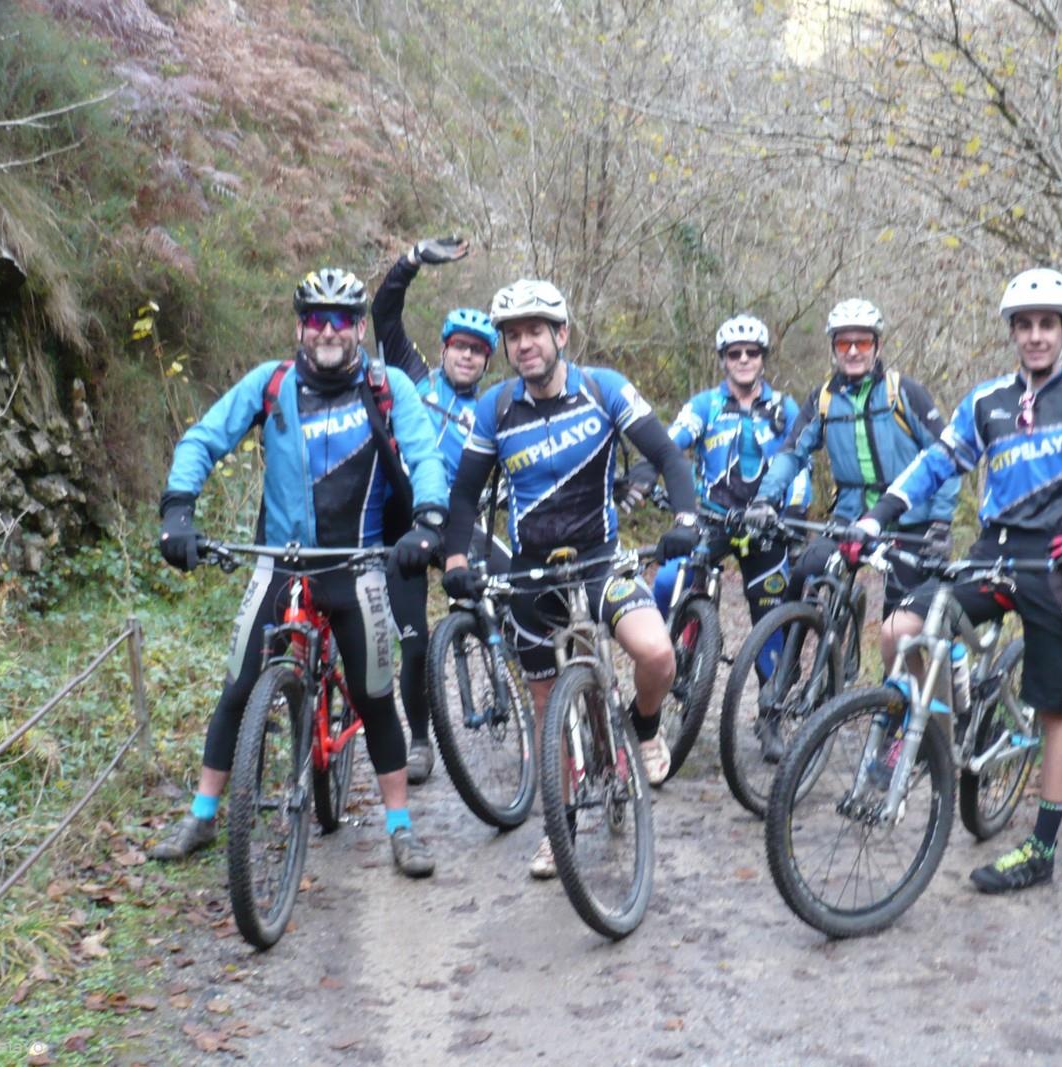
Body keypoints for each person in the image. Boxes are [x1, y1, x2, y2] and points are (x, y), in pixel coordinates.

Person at [854, 267, 1062, 893]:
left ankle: (1041, 850)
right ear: (1012, 332)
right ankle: (928, 736)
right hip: (991, 553)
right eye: (1024, 325)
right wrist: (876, 517)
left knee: (1056, 710)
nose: (1035, 336)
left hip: (1054, 565)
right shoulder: (986, 402)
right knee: (899, 630)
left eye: (1047, 325)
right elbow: (937, 463)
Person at [151, 267, 452, 878]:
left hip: (357, 565)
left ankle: (401, 827)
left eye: (342, 319)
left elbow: (424, 456)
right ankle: (202, 816)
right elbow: (204, 439)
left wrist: (427, 521)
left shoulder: (387, 385)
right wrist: (178, 509)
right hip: (279, 563)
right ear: (300, 327)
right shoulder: (272, 383)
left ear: (360, 328)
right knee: (238, 686)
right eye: (317, 318)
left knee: (373, 698)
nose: (328, 330)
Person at [438, 278, 698, 878]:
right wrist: (455, 563)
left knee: (657, 653)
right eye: (513, 336)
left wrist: (685, 519)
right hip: (532, 572)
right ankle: (559, 831)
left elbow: (667, 455)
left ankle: (645, 728)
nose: (524, 344)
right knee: (546, 707)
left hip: (599, 560)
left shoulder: (603, 388)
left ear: (561, 335)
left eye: (535, 331)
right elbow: (464, 495)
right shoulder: (495, 408)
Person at [371, 234, 511, 785]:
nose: (467, 356)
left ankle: (530, 690)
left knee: (520, 588)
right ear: (445, 348)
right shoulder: (412, 377)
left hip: (459, 524)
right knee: (414, 644)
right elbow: (384, 315)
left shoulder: (495, 409)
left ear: (486, 360)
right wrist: (410, 261)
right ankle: (419, 741)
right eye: (460, 346)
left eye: (478, 350)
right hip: (402, 524)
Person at [644, 315, 810, 754]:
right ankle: (665, 665)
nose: (743, 359)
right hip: (711, 518)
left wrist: (794, 511)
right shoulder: (706, 405)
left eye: (751, 352)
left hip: (765, 525)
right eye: (734, 353)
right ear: (723, 360)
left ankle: (770, 715)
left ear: (763, 358)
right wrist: (648, 471)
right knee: (668, 581)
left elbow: (801, 460)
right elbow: (672, 442)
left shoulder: (786, 408)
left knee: (771, 617)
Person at [746, 298, 960, 615]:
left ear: (877, 346)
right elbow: (791, 454)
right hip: (850, 515)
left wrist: (940, 522)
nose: (853, 351)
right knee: (804, 573)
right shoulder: (823, 399)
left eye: (863, 342)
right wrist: (765, 498)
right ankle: (793, 641)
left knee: (900, 616)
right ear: (834, 349)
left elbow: (946, 456)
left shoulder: (904, 391)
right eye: (844, 343)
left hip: (910, 520)